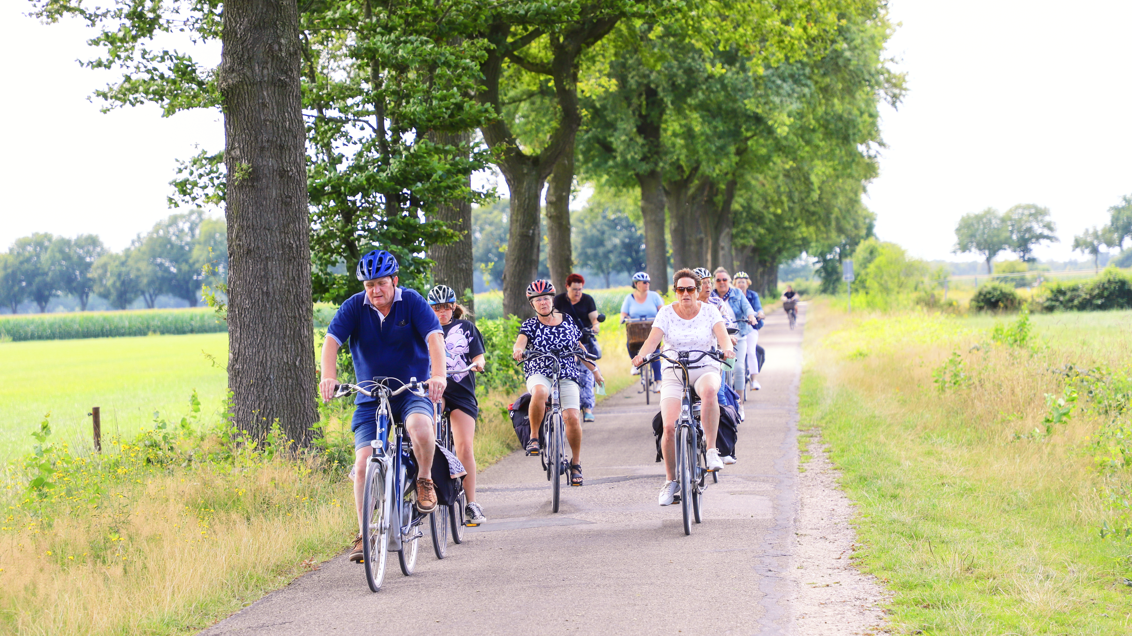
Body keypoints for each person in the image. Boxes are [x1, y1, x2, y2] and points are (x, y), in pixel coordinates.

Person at [318, 250, 447, 563]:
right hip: (369, 395)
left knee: (419, 428)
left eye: (380, 283)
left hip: (411, 389)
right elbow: (331, 341)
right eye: (369, 284)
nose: (375, 290)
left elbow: (434, 338)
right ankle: (365, 533)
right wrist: (329, 377)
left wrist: (438, 375)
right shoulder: (354, 307)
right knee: (363, 464)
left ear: (394, 281)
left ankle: (424, 480)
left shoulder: (412, 302)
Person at [631, 269, 735, 506]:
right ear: (675, 291)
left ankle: (711, 451)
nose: (685, 293)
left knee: (710, 391)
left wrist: (727, 349)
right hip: (674, 371)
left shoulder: (709, 311)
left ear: (698, 291)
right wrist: (641, 356)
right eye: (680, 289)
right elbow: (652, 340)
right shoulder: (666, 313)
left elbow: (722, 336)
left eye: (690, 289)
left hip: (704, 366)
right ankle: (670, 481)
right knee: (668, 426)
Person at [513, 280, 605, 487]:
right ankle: (534, 438)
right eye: (538, 300)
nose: (543, 302)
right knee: (539, 392)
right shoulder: (530, 325)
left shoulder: (568, 320)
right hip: (539, 370)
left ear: (552, 299)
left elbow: (578, 348)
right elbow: (520, 342)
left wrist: (595, 371)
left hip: (566, 372)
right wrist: (518, 350)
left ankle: (576, 463)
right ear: (532, 304)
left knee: (572, 416)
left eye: (546, 298)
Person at [426, 284, 488, 526]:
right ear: (430, 309)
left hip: (461, 392)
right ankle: (425, 486)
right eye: (436, 307)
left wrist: (478, 363)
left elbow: (478, 355)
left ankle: (471, 504)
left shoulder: (466, 327)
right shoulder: (424, 329)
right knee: (426, 435)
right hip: (435, 390)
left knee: (464, 446)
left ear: (453, 307)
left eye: (446, 307)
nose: (442, 311)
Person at [553, 273, 601, 423]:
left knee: (586, 376)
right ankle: (566, 408)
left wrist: (595, 327)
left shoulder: (588, 300)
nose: (577, 292)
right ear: (567, 287)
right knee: (566, 376)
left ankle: (588, 409)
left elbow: (595, 319)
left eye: (580, 289)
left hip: (584, 343)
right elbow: (553, 318)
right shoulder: (559, 300)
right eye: (574, 289)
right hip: (564, 345)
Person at [709, 267, 757, 395]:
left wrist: (751, 317)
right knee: (716, 370)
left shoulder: (737, 293)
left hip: (738, 337)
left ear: (729, 281)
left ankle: (739, 403)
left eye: (725, 279)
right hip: (717, 340)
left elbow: (747, 307)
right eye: (718, 280)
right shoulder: (711, 297)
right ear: (714, 282)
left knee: (739, 369)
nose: (722, 282)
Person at [620, 271, 664, 388]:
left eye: (648, 282)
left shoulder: (654, 296)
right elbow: (623, 314)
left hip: (652, 329)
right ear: (636, 284)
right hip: (636, 330)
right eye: (644, 282)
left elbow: (662, 310)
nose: (647, 284)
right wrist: (624, 318)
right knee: (630, 344)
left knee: (655, 352)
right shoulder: (629, 298)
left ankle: (658, 381)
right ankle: (635, 364)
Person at [733, 272, 765, 390]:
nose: (741, 284)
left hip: (750, 327)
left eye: (743, 282)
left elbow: (758, 308)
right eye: (739, 282)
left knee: (751, 351)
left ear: (748, 284)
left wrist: (760, 314)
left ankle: (754, 380)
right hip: (735, 327)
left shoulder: (753, 295)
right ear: (734, 284)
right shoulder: (731, 295)